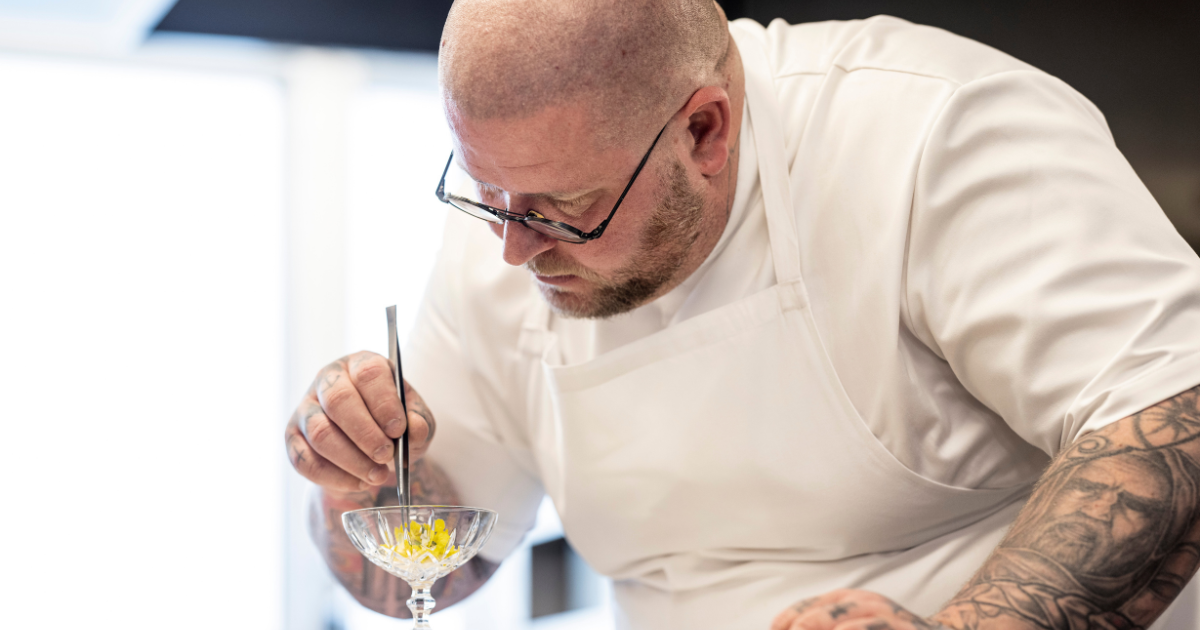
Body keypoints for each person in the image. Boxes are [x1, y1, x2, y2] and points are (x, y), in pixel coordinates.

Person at [282, 1, 1200, 628]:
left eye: (565, 207)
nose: (516, 249)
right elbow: (435, 568)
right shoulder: (509, 232)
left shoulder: (930, 132)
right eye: (487, 195)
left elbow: (1176, 407)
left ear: (705, 130)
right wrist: (359, 485)